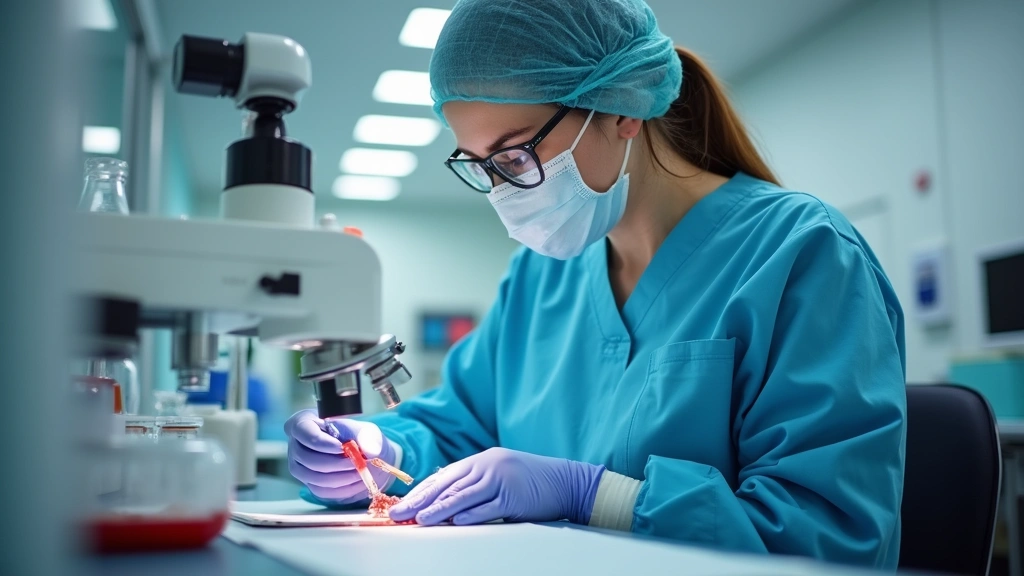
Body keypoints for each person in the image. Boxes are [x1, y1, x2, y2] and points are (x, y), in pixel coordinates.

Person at [286, 0, 906, 567]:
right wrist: (380, 449)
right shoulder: (541, 276)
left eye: (515, 155)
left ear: (619, 110)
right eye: (480, 167)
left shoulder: (800, 252)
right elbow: (460, 426)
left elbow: (826, 536)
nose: (502, 191)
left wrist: (592, 496)